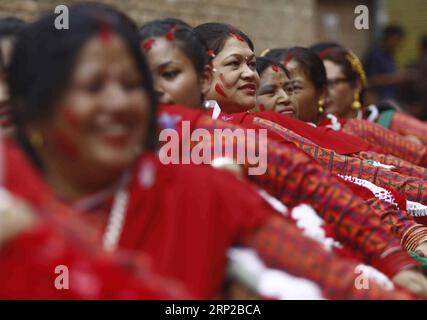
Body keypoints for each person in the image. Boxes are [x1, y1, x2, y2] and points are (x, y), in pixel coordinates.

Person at [6, 4, 414, 300]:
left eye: (133, 85)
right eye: (92, 88)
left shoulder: (208, 149)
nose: (119, 104)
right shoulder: (14, 198)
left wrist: (396, 254)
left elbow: (322, 181)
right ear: (33, 110)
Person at [141, 19, 427, 297]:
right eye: (234, 64)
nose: (282, 99)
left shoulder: (236, 133)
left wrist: (399, 245)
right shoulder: (158, 146)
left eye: (291, 89)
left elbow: (322, 179)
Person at [363, 25, 410, 104]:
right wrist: (397, 78)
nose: (398, 44)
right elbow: (371, 80)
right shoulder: (375, 55)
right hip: (379, 101)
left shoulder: (389, 55)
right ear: (391, 38)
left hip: (390, 98)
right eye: (397, 40)